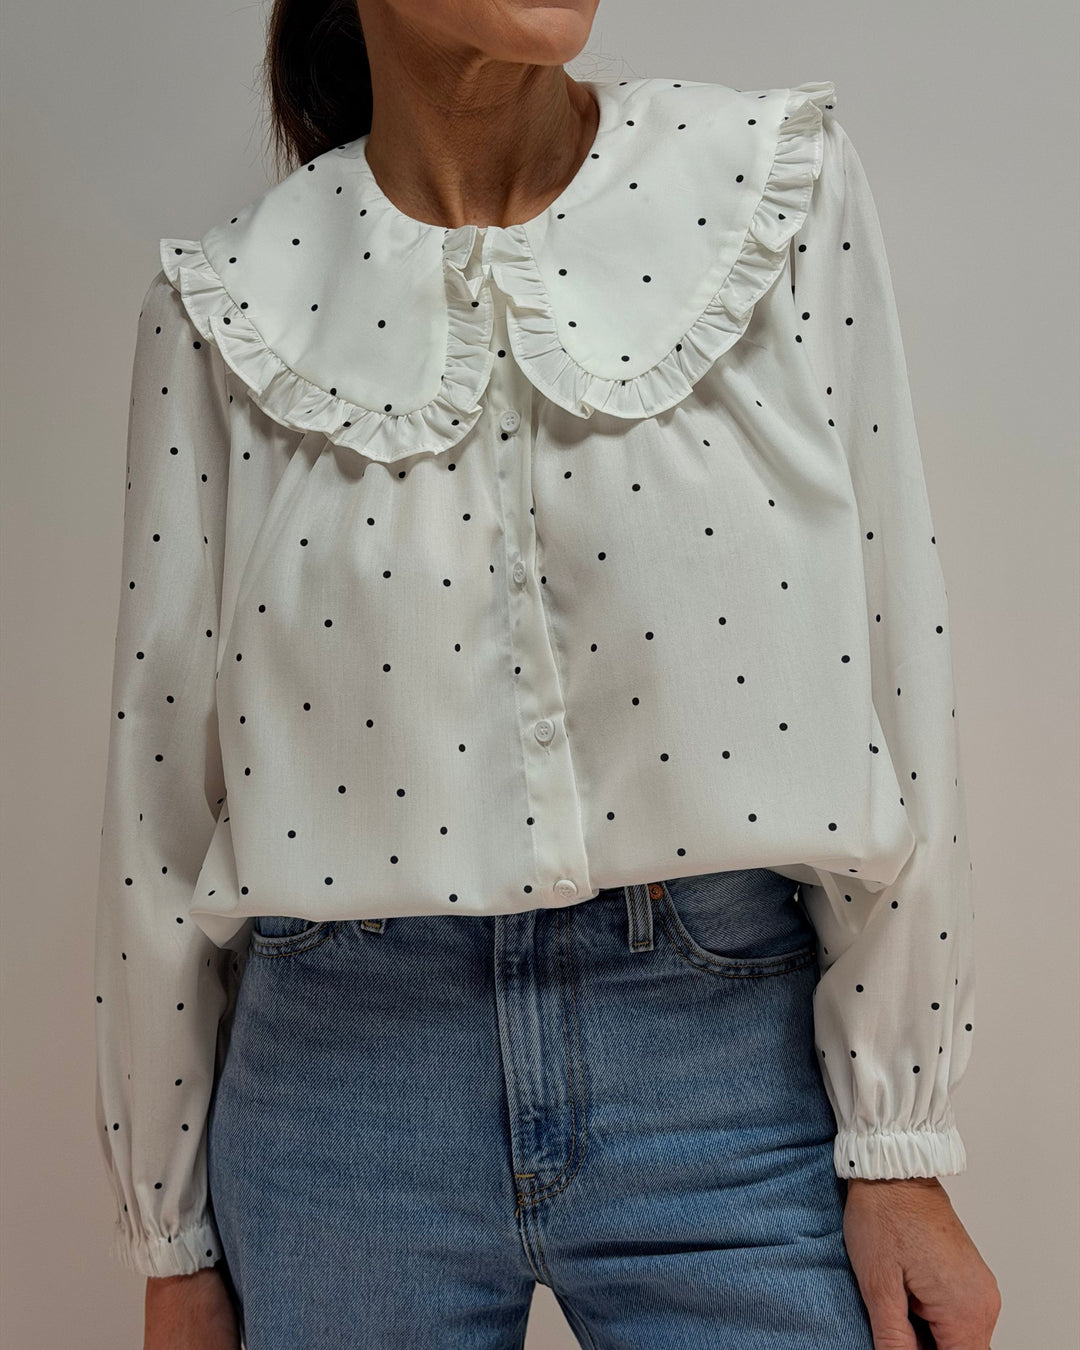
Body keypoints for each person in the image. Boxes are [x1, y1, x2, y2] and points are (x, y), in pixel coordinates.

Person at [92, 2, 1002, 1347]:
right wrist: (171, 1241)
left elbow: (898, 660)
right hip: (343, 1095)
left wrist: (898, 1137)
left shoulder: (768, 189)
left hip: (725, 1069)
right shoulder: (230, 305)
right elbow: (159, 800)